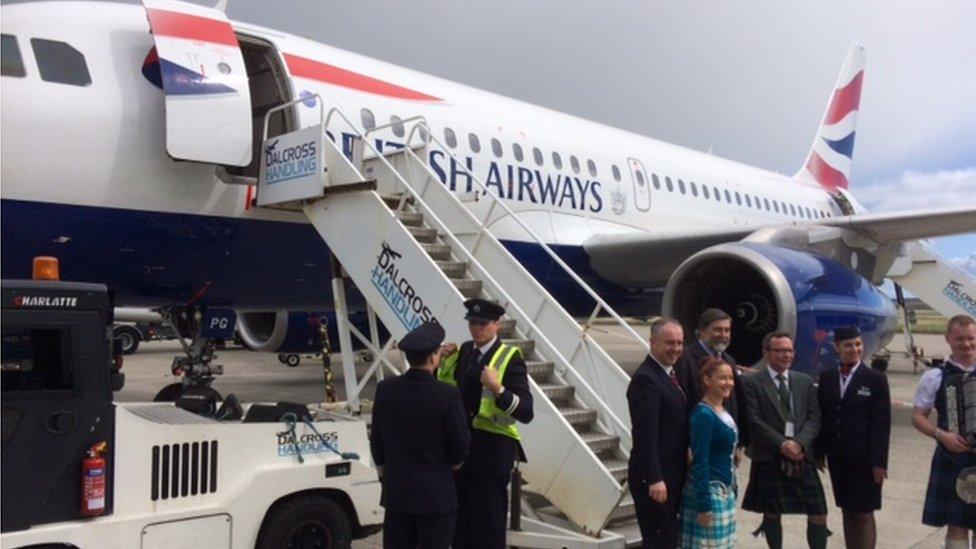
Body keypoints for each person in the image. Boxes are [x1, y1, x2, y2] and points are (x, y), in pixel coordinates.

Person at [437, 298, 534, 549]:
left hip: (492, 455)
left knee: (488, 527)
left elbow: (526, 411)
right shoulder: (466, 351)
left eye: (483, 323)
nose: (477, 328)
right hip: (462, 454)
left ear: (496, 324)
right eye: (472, 323)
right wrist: (439, 363)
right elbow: (450, 393)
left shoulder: (510, 358)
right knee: (461, 526)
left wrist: (498, 389)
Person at [370, 322, 471, 549]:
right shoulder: (447, 394)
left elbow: (377, 442)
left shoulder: (386, 389)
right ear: (435, 356)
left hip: (398, 495)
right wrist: (452, 465)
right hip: (436, 498)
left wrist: (386, 472)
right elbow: (460, 447)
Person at [741, 332, 829, 549]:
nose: (786, 355)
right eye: (780, 350)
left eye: (790, 350)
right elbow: (753, 420)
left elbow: (814, 417)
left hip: (801, 454)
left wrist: (799, 443)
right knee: (772, 512)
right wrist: (782, 444)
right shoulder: (751, 382)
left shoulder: (804, 381)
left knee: (819, 512)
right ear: (767, 353)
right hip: (770, 454)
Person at [815, 326, 891, 549]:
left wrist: (879, 462)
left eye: (858, 344)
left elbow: (881, 424)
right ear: (837, 347)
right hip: (838, 457)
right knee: (847, 509)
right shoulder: (828, 377)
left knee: (864, 513)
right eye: (848, 345)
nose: (854, 349)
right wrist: (820, 451)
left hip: (865, 460)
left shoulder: (875, 379)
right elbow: (824, 417)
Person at [912, 314, 976, 549]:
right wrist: (941, 435)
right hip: (952, 458)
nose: (966, 344)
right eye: (959, 339)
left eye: (971, 338)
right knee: (956, 524)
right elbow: (918, 417)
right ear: (948, 339)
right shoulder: (934, 376)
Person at [627, 318, 689, 548]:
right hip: (656, 478)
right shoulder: (647, 379)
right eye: (669, 343)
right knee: (660, 541)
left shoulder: (669, 374)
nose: (676, 349)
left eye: (680, 343)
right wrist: (654, 478)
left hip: (672, 473)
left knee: (665, 539)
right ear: (653, 343)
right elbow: (645, 435)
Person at [676, 308, 752, 458]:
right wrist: (686, 445)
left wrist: (740, 444)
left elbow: (738, 401)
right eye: (717, 330)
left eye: (727, 330)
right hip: (700, 445)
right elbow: (681, 406)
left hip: (725, 443)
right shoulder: (686, 359)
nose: (723, 335)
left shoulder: (729, 360)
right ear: (702, 332)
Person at [680, 357, 739, 549]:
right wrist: (704, 503)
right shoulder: (704, 415)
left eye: (730, 378)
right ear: (707, 380)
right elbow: (700, 460)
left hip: (725, 491)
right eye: (722, 378)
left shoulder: (722, 408)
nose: (728, 383)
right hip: (709, 492)